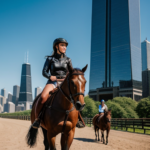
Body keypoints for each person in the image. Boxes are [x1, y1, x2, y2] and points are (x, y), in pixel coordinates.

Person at [32, 38, 85, 128]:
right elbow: (44, 72)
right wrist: (50, 77)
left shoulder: (68, 60)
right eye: (62, 45)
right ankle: (38, 119)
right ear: (56, 46)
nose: (65, 47)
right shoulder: (50, 59)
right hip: (52, 82)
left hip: (64, 82)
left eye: (65, 46)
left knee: (75, 97)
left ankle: (79, 119)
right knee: (43, 97)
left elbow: (71, 72)